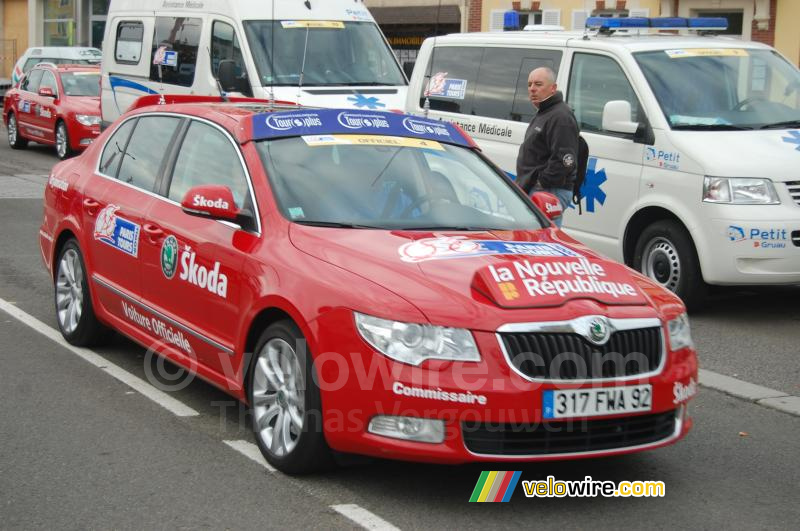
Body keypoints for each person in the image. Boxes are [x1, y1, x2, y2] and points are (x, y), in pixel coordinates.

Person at [516, 67, 579, 227]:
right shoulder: (545, 111)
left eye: (538, 84)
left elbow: (565, 160)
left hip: (549, 191)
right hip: (540, 189)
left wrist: (540, 183)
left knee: (542, 238)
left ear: (553, 88)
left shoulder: (560, 116)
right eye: (529, 84)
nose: (532, 89)